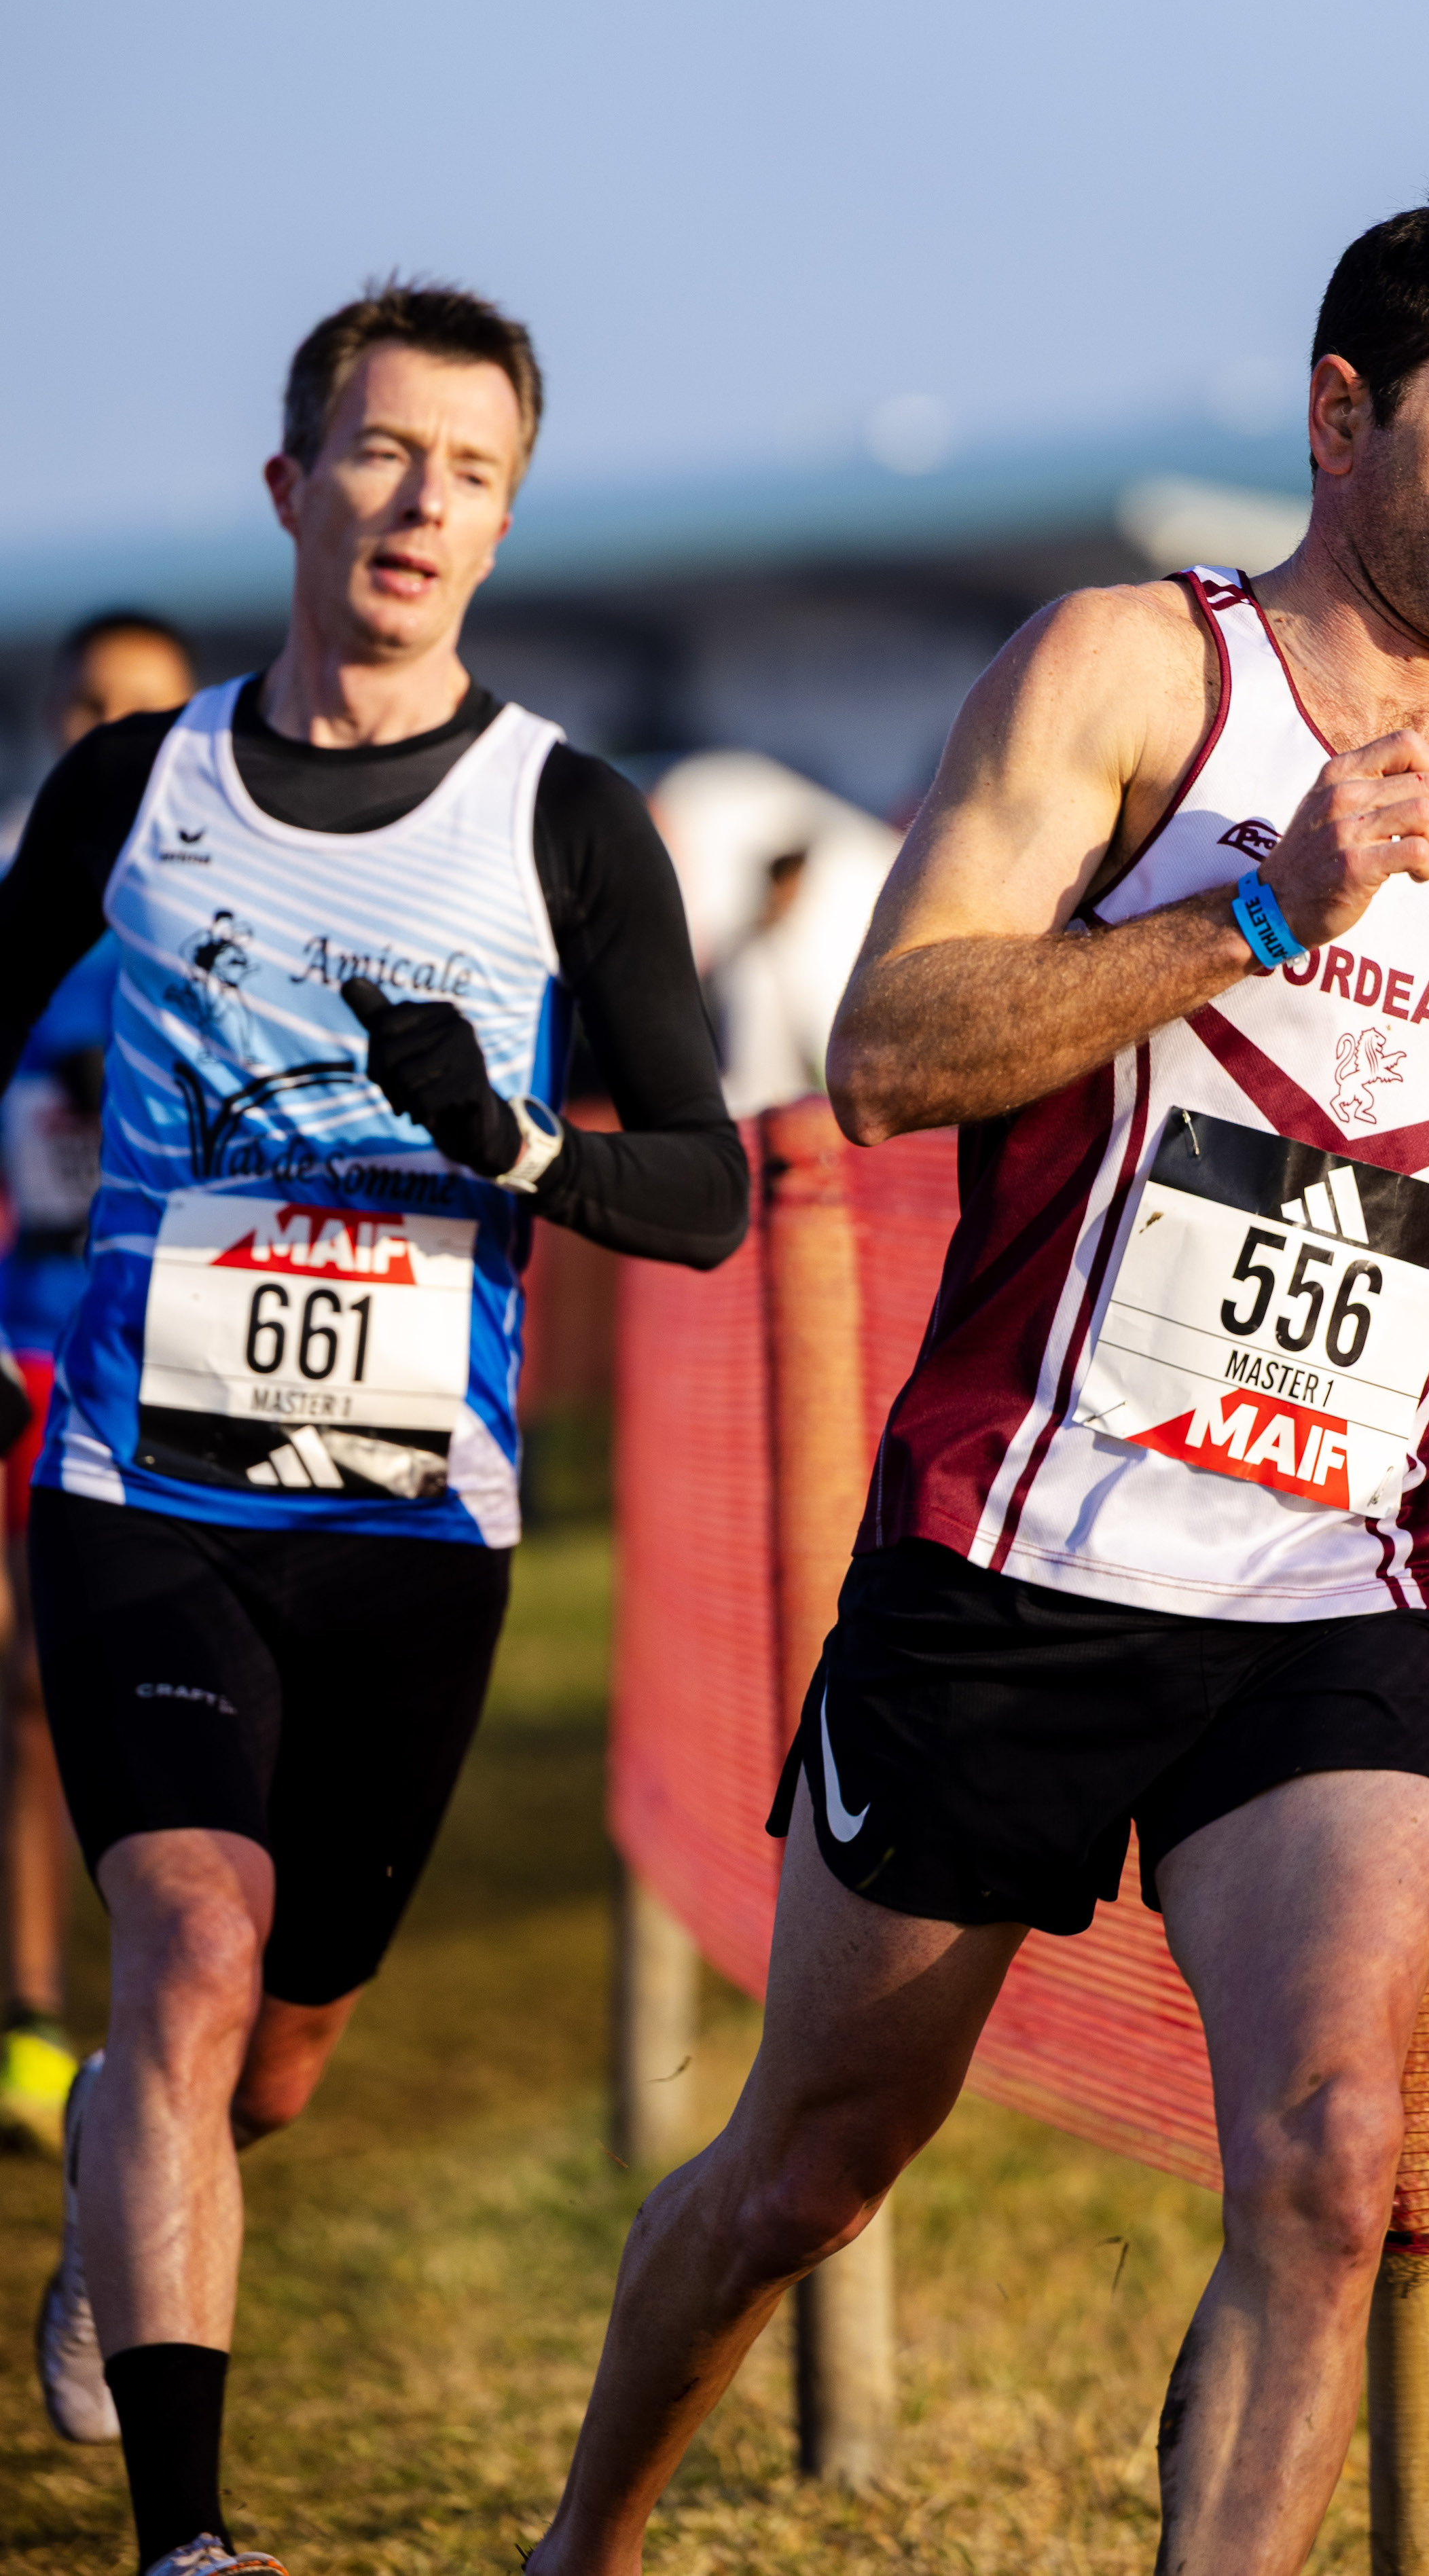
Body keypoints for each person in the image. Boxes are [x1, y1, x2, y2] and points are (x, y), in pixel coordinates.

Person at [528, 182, 1429, 2576]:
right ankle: (579, 2550)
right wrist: (1251, 912)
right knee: (810, 2173)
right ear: (1346, 415)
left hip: (1326, 1576)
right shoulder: (1138, 677)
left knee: (1331, 2162)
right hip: (1022, 1556)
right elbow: (891, 1049)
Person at [0, 279, 749, 2576]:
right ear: (292, 484)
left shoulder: (569, 820)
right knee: (193, 1943)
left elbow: (707, 1195)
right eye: (384, 453)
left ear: (505, 525)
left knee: (277, 2048)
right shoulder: (140, 784)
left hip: (416, 1525)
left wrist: (514, 1152)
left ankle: (122, 2211)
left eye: (474, 472)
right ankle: (191, 2545)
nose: (423, 503)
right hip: (146, 1488)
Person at [0, 613, 199, 2161]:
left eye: (151, 710)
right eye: (92, 706)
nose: (115, 734)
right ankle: (24, 2012)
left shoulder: (218, 928)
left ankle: (160, 2032)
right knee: (15, 1697)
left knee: (123, 1722)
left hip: (170, 1374)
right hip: (17, 1351)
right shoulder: (20, 916)